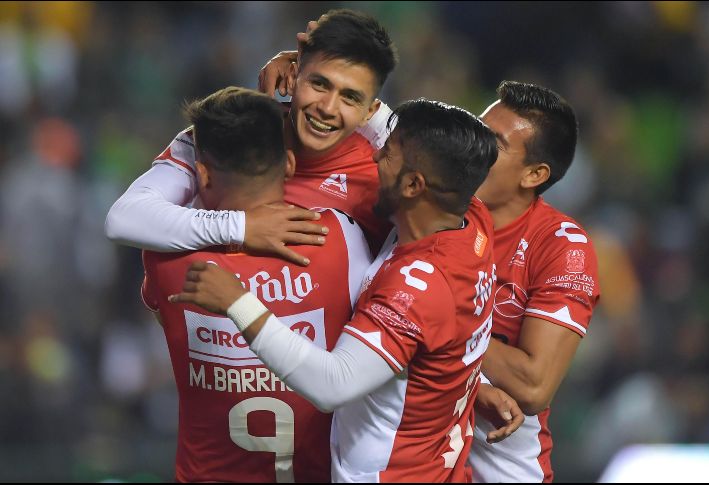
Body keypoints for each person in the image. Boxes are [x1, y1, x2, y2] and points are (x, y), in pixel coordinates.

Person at [169, 99, 520, 482]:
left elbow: (332, 384)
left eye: (388, 155)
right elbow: (443, 344)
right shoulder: (472, 221)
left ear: (413, 184)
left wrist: (237, 302)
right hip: (439, 465)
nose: (373, 159)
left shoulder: (415, 289)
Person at [141, 86, 375, 482]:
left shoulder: (168, 259)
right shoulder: (341, 239)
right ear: (288, 164)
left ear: (201, 174)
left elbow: (162, 311)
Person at [105, 9, 398, 264]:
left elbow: (440, 153)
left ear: (369, 110)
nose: (327, 108)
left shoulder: (382, 171)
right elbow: (124, 219)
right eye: (319, 84)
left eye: (350, 97)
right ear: (294, 76)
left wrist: (376, 118)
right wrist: (243, 227)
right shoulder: (229, 132)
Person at [469, 81, 601, 482]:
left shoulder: (562, 247)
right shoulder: (427, 211)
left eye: (492, 142)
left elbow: (533, 385)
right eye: (475, 130)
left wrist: (437, 325)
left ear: (534, 174)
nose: (471, 147)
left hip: (502, 468)